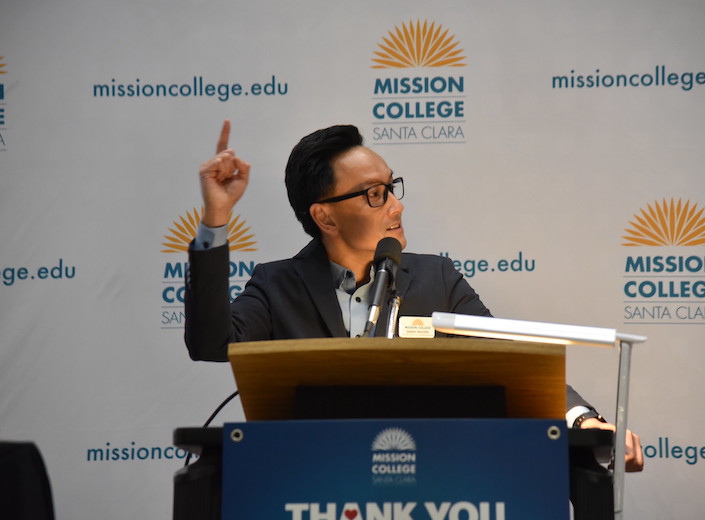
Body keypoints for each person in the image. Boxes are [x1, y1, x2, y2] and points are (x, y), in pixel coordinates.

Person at [184, 120, 643, 472]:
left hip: (432, 479)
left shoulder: (436, 278)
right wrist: (216, 219)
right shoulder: (276, 285)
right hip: (313, 482)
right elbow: (210, 344)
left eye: (392, 187)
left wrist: (582, 420)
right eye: (376, 194)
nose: (397, 206)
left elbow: (509, 362)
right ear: (325, 217)